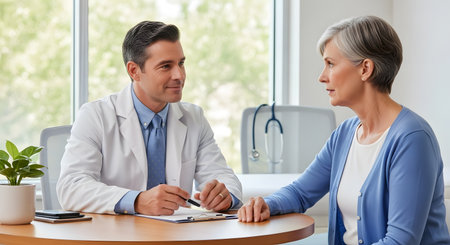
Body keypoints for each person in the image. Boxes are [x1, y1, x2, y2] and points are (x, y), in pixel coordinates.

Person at [238, 15, 450, 245]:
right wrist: (267, 204)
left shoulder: (412, 139)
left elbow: (400, 241)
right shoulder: (345, 134)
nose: (322, 76)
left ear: (365, 69)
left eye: (330, 64)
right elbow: (300, 192)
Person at [57, 21, 242, 215]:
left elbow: (223, 176)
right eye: (165, 66)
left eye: (181, 63)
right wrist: (136, 201)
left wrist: (224, 195)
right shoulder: (95, 116)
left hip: (177, 236)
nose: (179, 75)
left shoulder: (194, 117)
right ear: (134, 71)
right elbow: (71, 187)